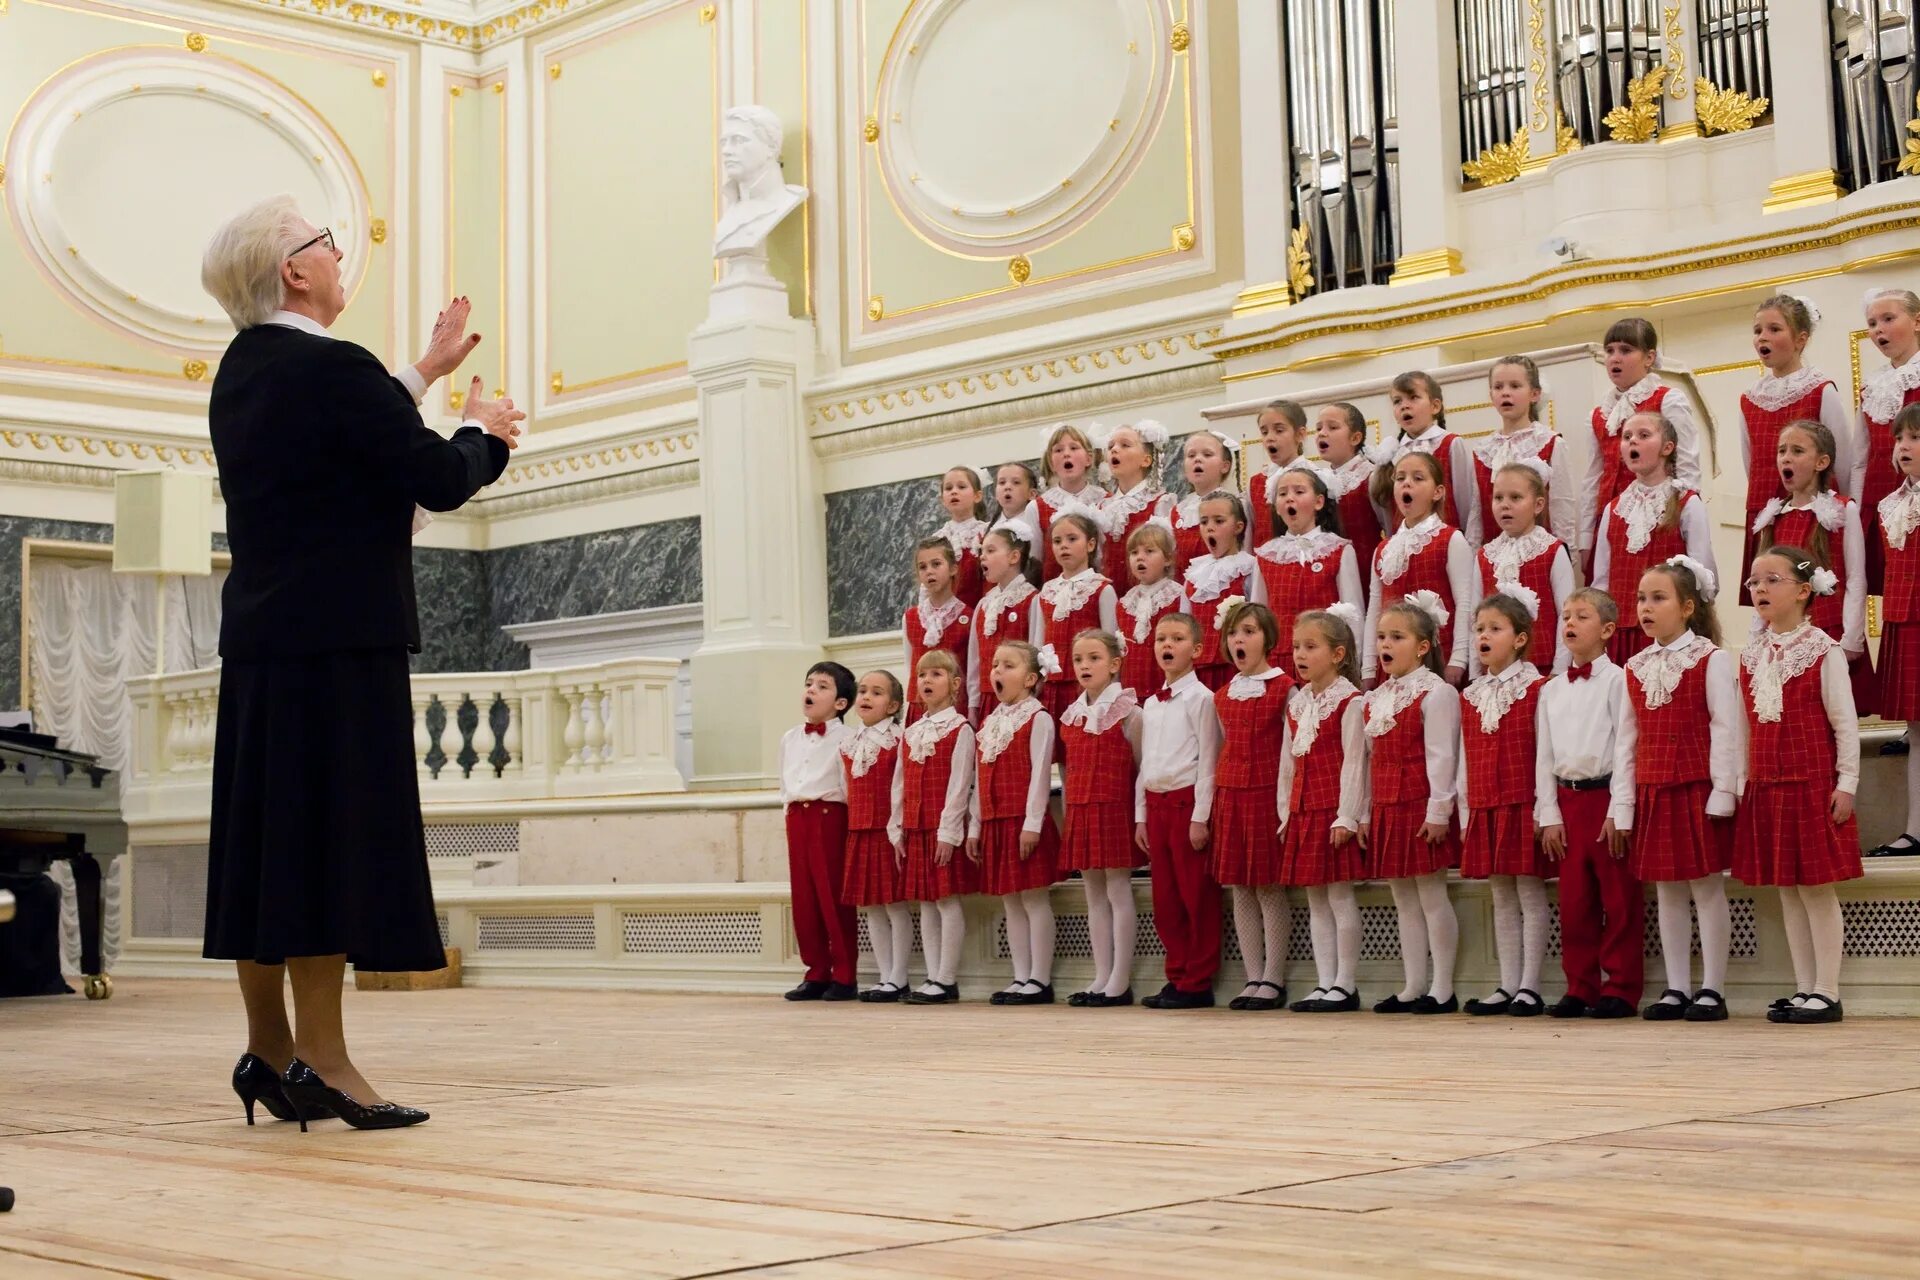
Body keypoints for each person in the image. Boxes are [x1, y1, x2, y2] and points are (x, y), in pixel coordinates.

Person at [200, 195, 519, 1131]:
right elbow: (429, 475)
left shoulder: (247, 369)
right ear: (294, 270)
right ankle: (327, 1063)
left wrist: (422, 370)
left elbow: (346, 439)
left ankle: (267, 1049)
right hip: (339, 643)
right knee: (327, 849)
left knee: (268, 849)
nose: (341, 255)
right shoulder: (331, 369)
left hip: (264, 642)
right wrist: (486, 434)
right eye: (325, 243)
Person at [1737, 549, 1863, 1025]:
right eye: (1753, 583)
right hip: (1766, 783)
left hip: (1811, 783)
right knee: (1786, 889)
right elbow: (1746, 728)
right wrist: (1741, 782)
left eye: (1772, 579)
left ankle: (1828, 991)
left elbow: (1844, 724)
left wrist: (1846, 782)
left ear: (1804, 591)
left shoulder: (1822, 649)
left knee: (1814, 888)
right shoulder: (1750, 655)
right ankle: (1805, 986)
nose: (1761, 589)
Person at [1624, 558, 1739, 1022]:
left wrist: (1723, 790)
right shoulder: (1633, 666)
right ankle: (1676, 987)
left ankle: (1712, 987)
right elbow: (1626, 741)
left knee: (1706, 888)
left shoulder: (1711, 659)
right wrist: (1624, 805)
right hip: (1653, 788)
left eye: (1659, 598)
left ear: (1688, 607)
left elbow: (1726, 728)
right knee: (1666, 891)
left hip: (1696, 786)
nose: (1647, 608)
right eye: (1641, 599)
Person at [1535, 589, 1641, 1019]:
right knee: (1574, 903)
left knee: (1618, 900)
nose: (1570, 623)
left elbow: (1626, 748)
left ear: (1608, 629)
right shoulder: (1551, 690)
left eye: (1582, 615)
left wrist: (1620, 808)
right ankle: (1580, 986)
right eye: (1565, 616)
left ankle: (1621, 987)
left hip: (1606, 798)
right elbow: (1544, 754)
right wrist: (1548, 813)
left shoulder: (1619, 681)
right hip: (1567, 801)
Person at [1364, 594, 1463, 1014]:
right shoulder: (1376, 697)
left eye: (1397, 637)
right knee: (1402, 897)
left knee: (1430, 894)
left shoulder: (1435, 693)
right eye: (1382, 636)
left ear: (1423, 646)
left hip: (1420, 803)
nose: (1385, 644)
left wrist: (1439, 810)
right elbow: (1368, 761)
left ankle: (1442, 987)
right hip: (1387, 803)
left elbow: (1443, 756)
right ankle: (1413, 984)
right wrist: (1366, 812)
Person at [1457, 589, 1551, 1017]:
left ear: (1519, 638)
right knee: (1501, 895)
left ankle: (1530, 985)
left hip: (1520, 801)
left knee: (1529, 894)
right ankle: (1507, 983)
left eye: (1495, 628)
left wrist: (1543, 809)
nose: (1484, 636)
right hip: (1485, 803)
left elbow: (1545, 752)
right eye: (1479, 628)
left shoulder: (1537, 688)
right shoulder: (1471, 695)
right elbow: (1463, 757)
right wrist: (1464, 812)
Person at [1277, 605, 1369, 1012]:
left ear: (1337, 654)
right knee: (1316, 899)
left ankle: (1345, 984)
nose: (1300, 654)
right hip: (1303, 808)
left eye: (1310, 646)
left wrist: (1347, 814)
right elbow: (1287, 763)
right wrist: (1286, 813)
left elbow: (1355, 761)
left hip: (1332, 809)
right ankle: (1324, 979)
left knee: (1339, 897)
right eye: (1297, 646)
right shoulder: (1297, 703)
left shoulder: (1350, 701)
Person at [1750, 420, 1875, 716]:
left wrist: (1851, 639)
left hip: (1829, 631)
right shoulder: (1773, 517)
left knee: (1833, 717)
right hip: (1782, 634)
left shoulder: (1843, 510)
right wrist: (1757, 634)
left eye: (1797, 451)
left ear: (1821, 462)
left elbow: (1856, 578)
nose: (1786, 458)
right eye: (1782, 451)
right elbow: (1760, 583)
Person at [1135, 613, 1225, 1008]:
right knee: (1166, 900)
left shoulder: (1202, 699)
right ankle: (1177, 975)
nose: (1167, 645)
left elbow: (1209, 759)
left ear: (1198, 650)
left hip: (1187, 804)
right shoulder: (1150, 704)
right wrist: (1140, 814)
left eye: (1177, 638)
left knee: (1196, 897)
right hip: (1156, 806)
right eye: (1160, 639)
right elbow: (1146, 762)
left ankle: (1198, 981)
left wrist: (1200, 816)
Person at [1737, 295, 1855, 594]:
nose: (1763, 337)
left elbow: (1842, 462)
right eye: (1758, 330)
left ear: (1800, 339)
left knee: (1813, 596)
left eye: (1774, 329)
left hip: (1814, 517)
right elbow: (1752, 463)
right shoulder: (1750, 400)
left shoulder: (1820, 390)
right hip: (1769, 513)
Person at [1210, 603, 1295, 1011]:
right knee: (1240, 887)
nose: (1239, 640)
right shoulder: (1224, 694)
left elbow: (1291, 751)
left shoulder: (1285, 687)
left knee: (1268, 885)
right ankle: (1252, 976)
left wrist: (1286, 805)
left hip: (1266, 793)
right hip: (1232, 793)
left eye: (1248, 631)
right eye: (1233, 633)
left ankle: (1274, 979)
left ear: (1269, 639)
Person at [968, 641, 1062, 1005]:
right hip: (994, 821)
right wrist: (975, 826)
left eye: (1008, 665)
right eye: (994, 664)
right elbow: (979, 776)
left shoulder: (1037, 717)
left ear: (1030, 678)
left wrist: (1033, 823)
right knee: (1010, 901)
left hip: (1022, 820)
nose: (997, 671)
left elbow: (1041, 773)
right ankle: (1020, 975)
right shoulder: (991, 721)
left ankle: (1040, 978)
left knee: (1034, 900)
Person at [1058, 631, 1144, 1008]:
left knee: (1117, 889)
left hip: (1115, 807)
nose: (1084, 666)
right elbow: (1067, 768)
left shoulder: (1129, 711)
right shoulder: (1071, 716)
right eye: (1078, 660)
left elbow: (1143, 765)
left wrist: (1140, 816)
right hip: (1082, 807)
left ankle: (1120, 980)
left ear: (1114, 664)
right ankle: (1101, 974)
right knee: (1093, 894)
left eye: (1093, 658)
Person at [1591, 412, 1716, 667]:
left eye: (1644, 435)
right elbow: (1602, 580)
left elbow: (1703, 575)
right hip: (1621, 634)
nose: (1632, 442)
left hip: (1672, 634)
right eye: (1627, 437)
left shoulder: (1686, 502)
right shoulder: (1613, 509)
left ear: (1667, 448)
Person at [1579, 318, 1702, 570]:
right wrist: (1585, 536)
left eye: (1625, 350)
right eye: (1610, 351)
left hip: (1658, 516)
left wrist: (1684, 516)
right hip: (1611, 518)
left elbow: (1688, 464)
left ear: (1649, 357)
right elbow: (1593, 477)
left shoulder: (1668, 399)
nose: (1614, 358)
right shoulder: (1599, 414)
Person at [779, 662, 859, 1002]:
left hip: (830, 816)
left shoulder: (849, 737)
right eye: (809, 683)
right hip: (798, 815)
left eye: (822, 686)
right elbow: (785, 781)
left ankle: (844, 974)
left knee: (832, 896)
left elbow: (849, 786)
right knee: (805, 898)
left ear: (840, 703)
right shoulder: (790, 738)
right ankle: (816, 970)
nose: (811, 690)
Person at [899, 651, 977, 1004]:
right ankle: (931, 976)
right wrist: (896, 826)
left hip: (941, 826)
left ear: (955, 684)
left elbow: (959, 786)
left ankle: (947, 979)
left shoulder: (960, 729)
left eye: (936, 675)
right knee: (925, 903)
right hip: (914, 826)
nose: (927, 681)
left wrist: (948, 832)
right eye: (922, 676)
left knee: (945, 900)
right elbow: (899, 784)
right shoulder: (911, 732)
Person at [1362, 453, 1474, 685]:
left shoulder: (1451, 539)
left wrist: (1459, 659)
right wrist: (1368, 668)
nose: (1407, 483)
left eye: (1418, 478)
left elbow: (1465, 603)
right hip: (1392, 664)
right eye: (1400, 477)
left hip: (1437, 658)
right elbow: (1374, 609)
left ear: (1438, 492)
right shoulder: (1383, 549)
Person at [839, 671, 910, 1002]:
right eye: (863, 691)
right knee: (872, 908)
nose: (866, 697)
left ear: (894, 705)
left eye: (877, 693)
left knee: (894, 906)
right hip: (859, 829)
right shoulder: (849, 742)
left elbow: (901, 789)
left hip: (886, 830)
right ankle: (884, 975)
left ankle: (899, 977)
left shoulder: (898, 740)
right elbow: (846, 787)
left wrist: (898, 830)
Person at [1253, 459, 1363, 668]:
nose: (1289, 498)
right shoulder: (1266, 555)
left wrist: (1353, 665)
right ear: (1276, 506)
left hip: (1326, 662)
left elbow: (1353, 614)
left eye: (1299, 491)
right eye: (1283, 493)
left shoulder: (1338, 550)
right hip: (1279, 662)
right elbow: (1259, 619)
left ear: (1319, 502)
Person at [1872, 403, 1920, 856]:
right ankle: (1915, 829)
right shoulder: (1890, 504)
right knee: (1916, 733)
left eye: (1915, 438)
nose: (1903, 447)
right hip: (1905, 622)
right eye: (1899, 439)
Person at [1476, 460, 1575, 673]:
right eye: (1498, 498)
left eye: (1516, 498)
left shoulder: (1552, 550)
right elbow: (1474, 618)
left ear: (1538, 505)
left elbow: (1566, 614)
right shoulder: (1484, 555)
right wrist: (1476, 672)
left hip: (1541, 667)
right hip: (1494, 670)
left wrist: (1559, 669)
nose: (1505, 505)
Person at [1474, 355, 1577, 547]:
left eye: (1515, 386)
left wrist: (1566, 554)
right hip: (1492, 556)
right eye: (1498, 387)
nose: (1505, 393)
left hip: (1539, 554)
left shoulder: (1550, 443)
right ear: (1491, 396)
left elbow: (1562, 506)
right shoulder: (1482, 451)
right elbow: (1475, 513)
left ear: (1534, 394)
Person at [1370, 371, 1479, 547]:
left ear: (1435, 406)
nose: (1405, 406)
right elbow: (1387, 512)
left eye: (1413, 397)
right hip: (1404, 546)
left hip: (1446, 543)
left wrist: (1468, 545)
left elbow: (1467, 501)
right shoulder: (1392, 452)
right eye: (1398, 401)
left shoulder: (1450, 444)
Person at [1860, 287, 1920, 585]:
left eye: (1888, 319)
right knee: (1895, 588)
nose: (1878, 329)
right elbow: (1861, 455)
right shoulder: (1872, 385)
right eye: (1872, 324)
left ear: (1917, 321)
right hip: (1880, 497)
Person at [1036, 513, 1118, 727]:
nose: (1064, 546)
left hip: (1087, 687)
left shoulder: (1102, 589)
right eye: (1057, 541)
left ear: (1090, 544)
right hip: (1050, 687)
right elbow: (1036, 643)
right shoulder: (1046, 592)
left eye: (1072, 539)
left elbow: (1112, 645)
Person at [1180, 491, 1263, 691]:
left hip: (1235, 666)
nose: (1210, 527)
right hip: (1197, 671)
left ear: (1238, 527)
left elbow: (1260, 617)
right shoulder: (1194, 574)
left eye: (1219, 521)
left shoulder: (1250, 568)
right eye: (1204, 522)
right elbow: (1185, 624)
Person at [965, 525, 1043, 726]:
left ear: (1014, 557)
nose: (982, 557)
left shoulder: (1031, 600)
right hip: (987, 700)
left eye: (990, 551)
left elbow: (1037, 652)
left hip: (1021, 699)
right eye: (981, 551)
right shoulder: (983, 605)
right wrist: (974, 703)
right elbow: (974, 660)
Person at [902, 537, 972, 724]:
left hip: (954, 707)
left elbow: (971, 668)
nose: (929, 571)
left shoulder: (968, 616)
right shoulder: (911, 617)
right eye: (923, 567)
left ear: (953, 569)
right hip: (919, 705)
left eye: (936, 564)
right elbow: (911, 667)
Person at [1116, 523, 1189, 700]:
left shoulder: (1178, 595)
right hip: (1132, 688)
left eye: (1149, 551)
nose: (1140, 557)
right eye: (1134, 553)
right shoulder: (1124, 603)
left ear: (1168, 559)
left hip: (1168, 687)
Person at [1098, 421, 1174, 592]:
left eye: (1125, 445)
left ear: (1146, 460)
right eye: (1111, 446)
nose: (1114, 450)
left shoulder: (1160, 503)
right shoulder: (1101, 507)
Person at [1315, 403, 1382, 580]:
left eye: (1333, 427)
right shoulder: (1319, 480)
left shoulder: (1371, 476)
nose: (1322, 433)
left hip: (1365, 570)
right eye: (1318, 428)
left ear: (1355, 438)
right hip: (1330, 573)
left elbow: (1391, 528)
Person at [1034, 424, 1108, 580]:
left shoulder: (1106, 501)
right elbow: (1035, 560)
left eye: (1074, 448)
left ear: (1088, 459)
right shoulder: (1036, 507)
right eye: (1059, 450)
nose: (1066, 454)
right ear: (1052, 463)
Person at [1167, 431, 1240, 573]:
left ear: (1224, 466)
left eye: (1207, 455)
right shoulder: (1177, 511)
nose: (1197, 460)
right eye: (1191, 455)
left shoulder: (1235, 505)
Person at [1248, 400, 1308, 547]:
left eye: (1279, 430)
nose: (1270, 437)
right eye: (1264, 432)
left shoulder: (1315, 476)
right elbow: (1251, 534)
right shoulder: (1256, 483)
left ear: (1300, 435)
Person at [932, 466, 990, 608]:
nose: (954, 491)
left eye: (961, 486)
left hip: (979, 611)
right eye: (948, 488)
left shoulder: (987, 532)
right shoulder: (938, 539)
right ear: (942, 499)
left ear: (977, 496)